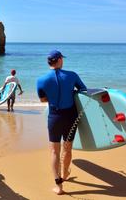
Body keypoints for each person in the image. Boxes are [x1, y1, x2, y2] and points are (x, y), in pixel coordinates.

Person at [36, 50, 87, 195]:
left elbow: (43, 100)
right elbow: (83, 90)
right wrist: (69, 93)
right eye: (62, 59)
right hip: (71, 116)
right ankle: (65, 175)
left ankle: (59, 186)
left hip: (54, 117)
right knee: (68, 147)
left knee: (54, 151)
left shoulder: (41, 80)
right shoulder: (72, 75)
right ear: (59, 60)